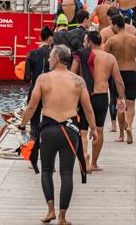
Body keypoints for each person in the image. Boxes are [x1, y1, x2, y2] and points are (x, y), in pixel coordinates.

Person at [19, 44, 96, 225]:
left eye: (50, 57)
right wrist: (93, 129)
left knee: (46, 170)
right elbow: (88, 108)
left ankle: (50, 210)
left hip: (49, 129)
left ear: (55, 59)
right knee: (67, 173)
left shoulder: (43, 79)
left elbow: (31, 106)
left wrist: (23, 124)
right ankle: (62, 217)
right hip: (70, 130)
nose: (47, 60)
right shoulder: (78, 81)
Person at [77, 31, 125, 172]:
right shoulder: (110, 58)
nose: (84, 44)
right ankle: (94, 163)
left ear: (90, 43)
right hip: (101, 97)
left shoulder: (82, 56)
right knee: (99, 129)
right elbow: (118, 81)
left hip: (85, 95)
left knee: (83, 130)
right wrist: (121, 98)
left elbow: (73, 75)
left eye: (86, 41)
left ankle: (85, 154)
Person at [103, 15, 136, 144]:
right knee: (130, 104)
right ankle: (129, 126)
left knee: (120, 103)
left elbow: (103, 59)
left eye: (112, 25)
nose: (111, 28)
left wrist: (103, 76)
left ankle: (122, 135)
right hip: (131, 72)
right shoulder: (134, 40)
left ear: (117, 26)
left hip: (117, 74)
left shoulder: (111, 41)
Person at [24, 26, 54, 145]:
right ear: (51, 39)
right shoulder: (54, 54)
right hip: (50, 91)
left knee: (34, 121)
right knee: (50, 119)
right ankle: (47, 145)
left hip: (35, 89)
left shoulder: (31, 54)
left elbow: (26, 78)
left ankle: (34, 147)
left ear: (40, 37)